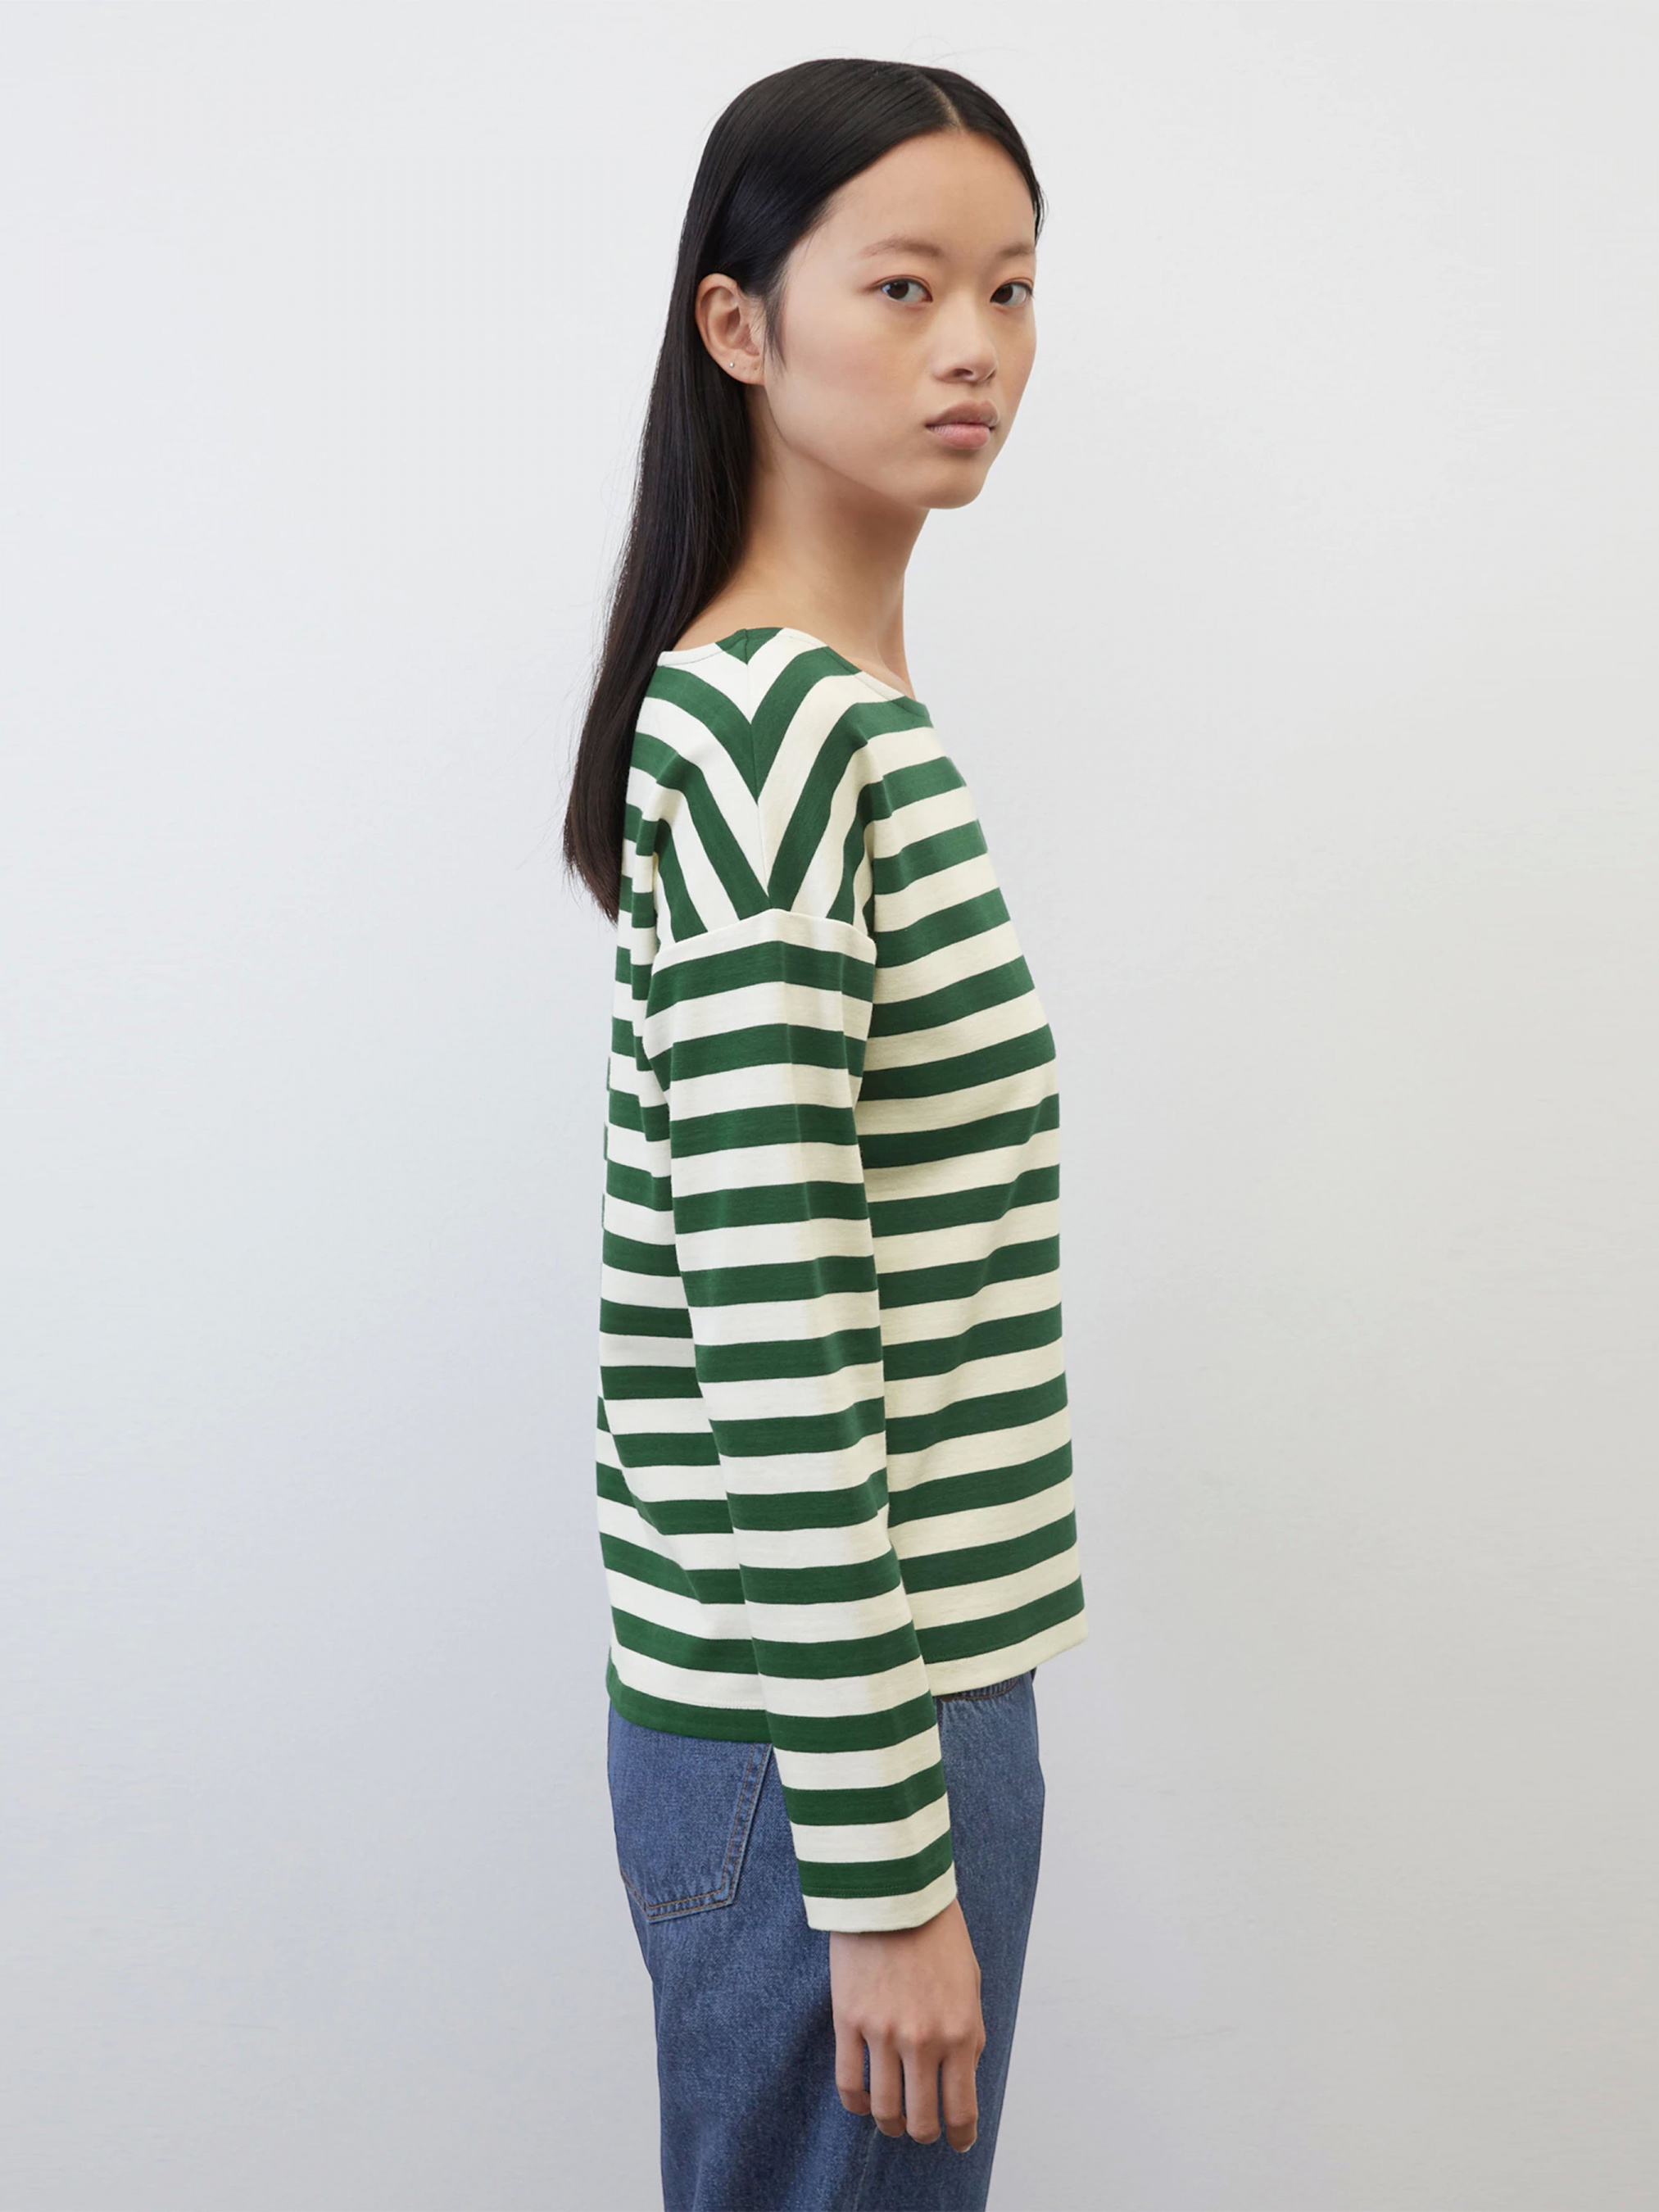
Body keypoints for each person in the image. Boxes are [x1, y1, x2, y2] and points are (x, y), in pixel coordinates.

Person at [562, 56, 1088, 2212]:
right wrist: (883, 1871)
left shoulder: (837, 719)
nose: (974, 347)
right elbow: (771, 1323)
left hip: (860, 1721)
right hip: (835, 1754)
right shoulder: (777, 730)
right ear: (738, 325)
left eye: (1010, 289)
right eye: (903, 285)